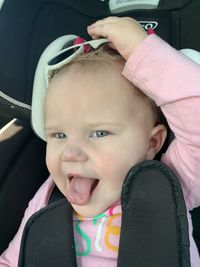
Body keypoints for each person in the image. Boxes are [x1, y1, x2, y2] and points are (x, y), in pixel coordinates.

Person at [0, 16, 200, 266]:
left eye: (99, 133)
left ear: (153, 143)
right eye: (59, 135)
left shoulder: (172, 184)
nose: (70, 153)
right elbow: (12, 260)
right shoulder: (47, 198)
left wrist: (144, 53)